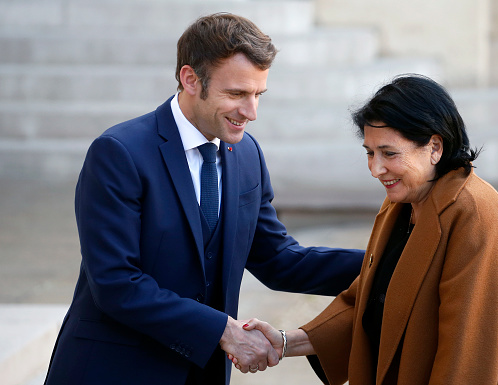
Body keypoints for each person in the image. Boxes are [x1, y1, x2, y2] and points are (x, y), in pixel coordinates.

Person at [44, 13, 364, 385]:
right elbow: (117, 283)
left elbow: (278, 259)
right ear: (190, 79)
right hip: (113, 370)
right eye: (236, 94)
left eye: (258, 94)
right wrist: (224, 331)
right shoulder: (119, 153)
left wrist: (388, 262)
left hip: (204, 374)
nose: (251, 112)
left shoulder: (246, 155)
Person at [235, 74, 498, 384]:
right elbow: (368, 302)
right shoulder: (402, 202)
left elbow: (464, 357)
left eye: (389, 153)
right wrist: (286, 342)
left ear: (435, 147)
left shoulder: (475, 215)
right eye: (370, 152)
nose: (375, 169)